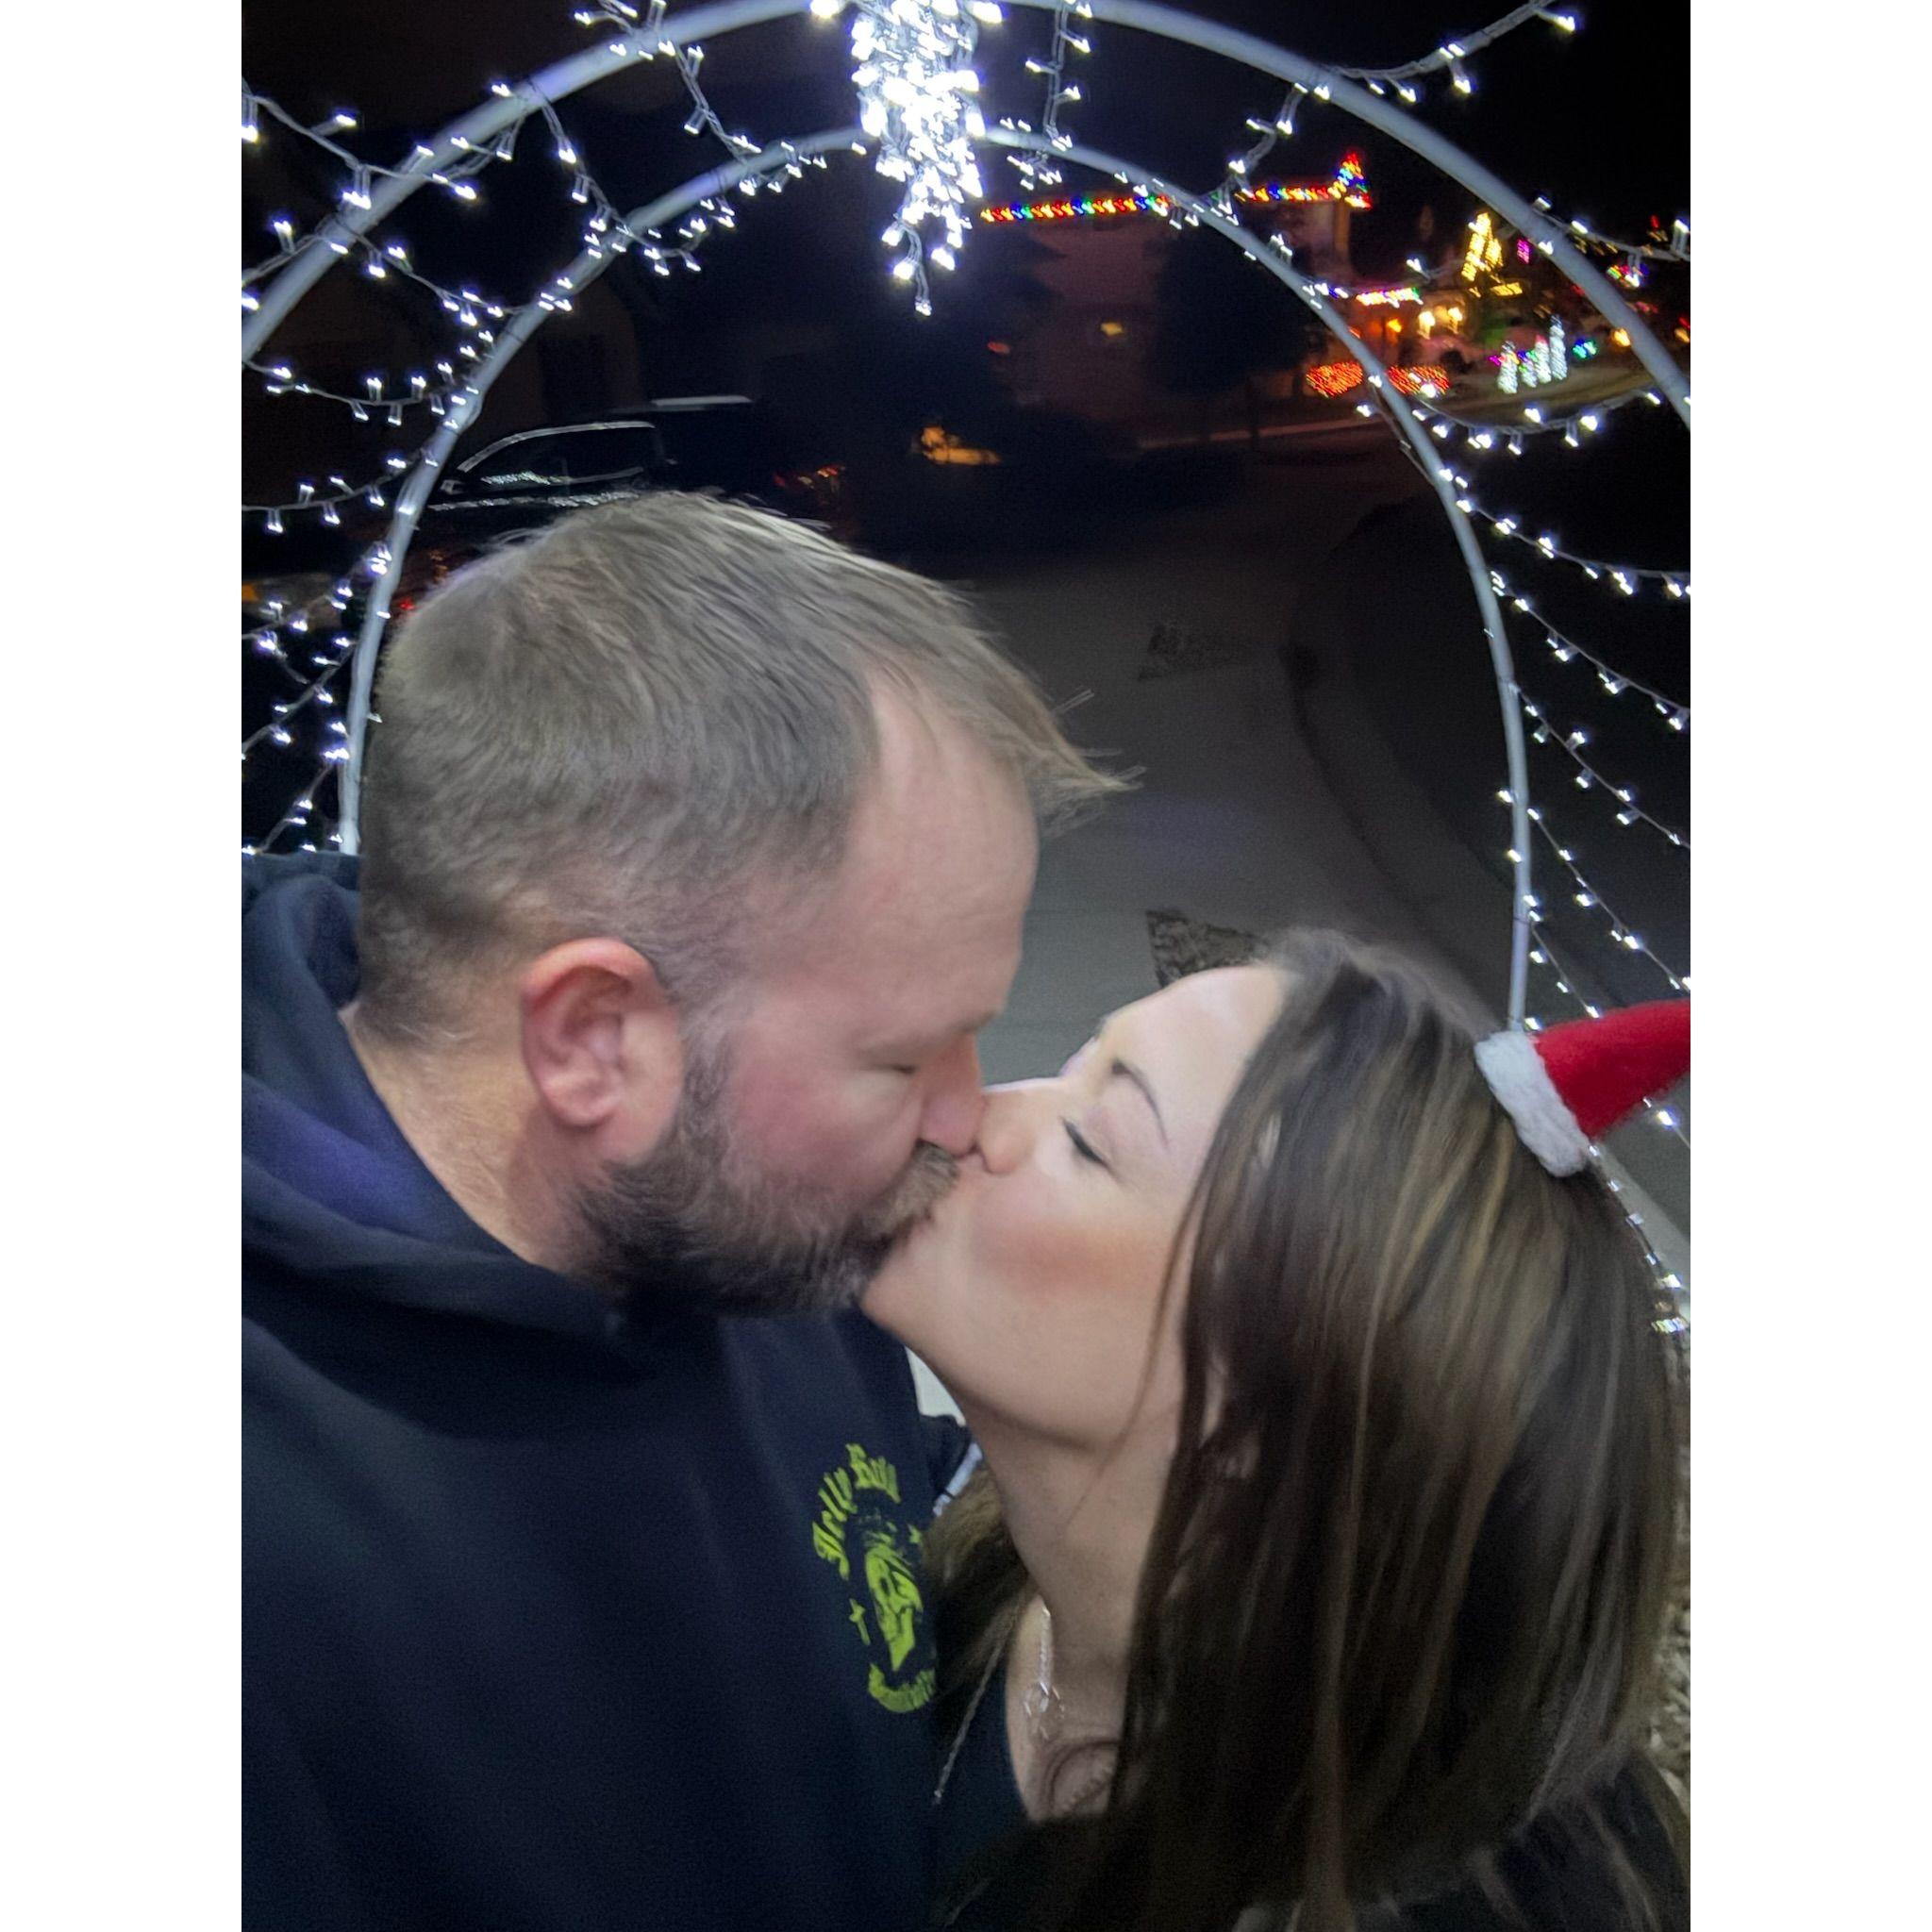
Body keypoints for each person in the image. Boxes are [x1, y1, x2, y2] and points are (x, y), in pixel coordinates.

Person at [242, 490, 1124, 1932]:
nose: (967, 1117)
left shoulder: (733, 1220)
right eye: (905, 1057)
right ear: (594, 1039)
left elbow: (849, 1527)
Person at [864, 930, 1690, 1932]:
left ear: (1271, 1418)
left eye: (1089, 1139)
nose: (966, 1111)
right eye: (1073, 1067)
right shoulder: (904, 1522)